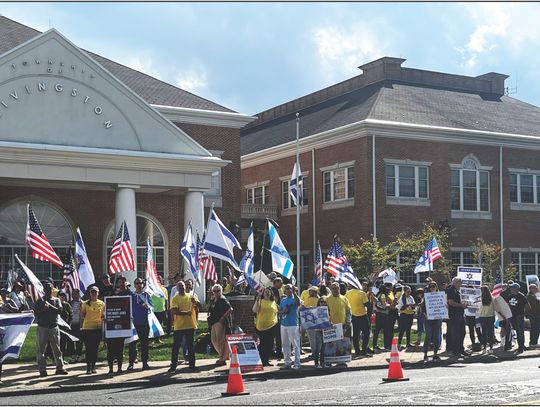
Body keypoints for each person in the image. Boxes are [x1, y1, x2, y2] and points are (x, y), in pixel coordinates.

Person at [33, 282, 68, 377]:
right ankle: (42, 369)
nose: (48, 290)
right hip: (43, 327)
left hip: (53, 327)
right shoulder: (40, 301)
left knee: (57, 349)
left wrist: (49, 306)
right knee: (41, 350)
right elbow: (35, 313)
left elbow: (60, 311)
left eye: (50, 289)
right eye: (46, 289)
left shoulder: (56, 300)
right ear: (44, 290)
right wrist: (43, 308)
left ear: (52, 290)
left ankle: (60, 368)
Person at [168, 281, 199, 372]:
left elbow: (198, 307)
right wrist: (186, 313)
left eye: (182, 286)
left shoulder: (191, 296)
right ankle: (173, 365)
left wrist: (195, 302)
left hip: (190, 325)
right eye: (179, 286)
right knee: (176, 347)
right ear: (177, 288)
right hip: (179, 326)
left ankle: (192, 365)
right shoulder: (174, 299)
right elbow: (174, 311)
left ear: (185, 287)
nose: (181, 288)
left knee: (190, 346)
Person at [128, 278, 153, 370]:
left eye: (140, 283)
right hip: (134, 323)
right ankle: (131, 363)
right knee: (132, 345)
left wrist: (148, 307)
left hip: (144, 323)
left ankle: (145, 363)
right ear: (134, 285)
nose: (139, 285)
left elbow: (152, 307)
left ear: (143, 284)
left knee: (144, 345)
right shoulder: (131, 296)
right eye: (137, 283)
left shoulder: (146, 295)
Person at [326, 282, 352, 366]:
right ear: (330, 289)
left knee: (342, 344)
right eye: (333, 288)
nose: (335, 290)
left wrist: (348, 321)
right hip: (331, 326)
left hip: (342, 325)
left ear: (339, 289)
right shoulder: (327, 299)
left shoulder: (344, 299)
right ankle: (329, 361)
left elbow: (348, 311)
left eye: (337, 288)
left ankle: (342, 361)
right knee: (331, 345)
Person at [207, 283, 233, 366]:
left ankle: (222, 358)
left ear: (221, 291)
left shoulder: (222, 299)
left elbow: (230, 309)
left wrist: (223, 318)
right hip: (213, 321)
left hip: (220, 321)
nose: (216, 292)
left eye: (218, 290)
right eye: (214, 290)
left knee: (220, 340)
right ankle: (224, 355)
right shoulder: (213, 299)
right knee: (214, 340)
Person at [81, 286, 105, 374]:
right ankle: (88, 367)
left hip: (97, 328)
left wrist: (103, 318)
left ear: (98, 293)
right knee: (88, 349)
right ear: (90, 294)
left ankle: (93, 366)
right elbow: (83, 315)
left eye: (95, 292)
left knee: (95, 349)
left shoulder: (102, 303)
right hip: (87, 328)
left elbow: (103, 315)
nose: (94, 294)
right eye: (92, 292)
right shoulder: (85, 304)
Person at [253, 288, 278, 367]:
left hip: (272, 326)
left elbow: (275, 313)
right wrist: (257, 301)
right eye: (265, 292)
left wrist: (276, 321)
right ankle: (261, 360)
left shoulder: (273, 302)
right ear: (263, 294)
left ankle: (266, 361)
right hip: (261, 326)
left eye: (268, 292)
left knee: (270, 344)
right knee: (262, 344)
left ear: (271, 293)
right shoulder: (260, 301)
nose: (267, 293)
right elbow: (254, 310)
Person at [279, 284, 301, 370]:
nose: (289, 290)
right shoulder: (283, 300)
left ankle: (297, 363)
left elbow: (298, 303)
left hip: (293, 324)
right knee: (285, 344)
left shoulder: (295, 298)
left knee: (295, 344)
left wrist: (295, 293)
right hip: (284, 324)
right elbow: (279, 311)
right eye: (287, 288)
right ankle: (287, 362)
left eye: (290, 288)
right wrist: (283, 311)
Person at [447, 277, 469, 358]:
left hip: (460, 314)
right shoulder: (450, 290)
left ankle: (461, 349)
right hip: (454, 315)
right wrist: (461, 305)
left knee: (462, 332)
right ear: (455, 282)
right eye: (460, 282)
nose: (461, 283)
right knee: (456, 334)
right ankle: (455, 350)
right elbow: (450, 302)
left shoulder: (458, 291)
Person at [506, 282, 529, 354]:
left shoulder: (521, 296)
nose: (511, 289)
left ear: (517, 289)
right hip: (511, 317)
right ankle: (507, 345)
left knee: (520, 332)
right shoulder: (509, 296)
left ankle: (521, 347)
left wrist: (523, 314)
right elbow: (506, 305)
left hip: (519, 316)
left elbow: (528, 306)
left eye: (512, 288)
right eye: (511, 288)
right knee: (514, 331)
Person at [422, 281, 442, 361]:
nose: (432, 288)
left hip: (438, 319)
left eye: (434, 286)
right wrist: (427, 316)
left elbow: (443, 306)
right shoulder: (426, 297)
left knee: (436, 337)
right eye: (431, 286)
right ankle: (425, 354)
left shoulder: (440, 296)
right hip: (428, 319)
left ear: (436, 287)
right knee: (428, 336)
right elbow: (423, 310)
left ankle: (435, 354)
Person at [397, 285, 416, 350]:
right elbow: (400, 308)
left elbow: (413, 305)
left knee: (408, 329)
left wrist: (413, 306)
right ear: (404, 291)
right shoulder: (402, 298)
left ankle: (408, 343)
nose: (409, 292)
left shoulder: (411, 297)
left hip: (410, 315)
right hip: (404, 315)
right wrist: (407, 305)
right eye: (408, 291)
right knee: (402, 330)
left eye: (410, 291)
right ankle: (399, 344)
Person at [67, 289, 84, 363]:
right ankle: (73, 355)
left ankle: (79, 355)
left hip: (79, 324)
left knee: (79, 341)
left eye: (75, 294)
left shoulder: (83, 303)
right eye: (73, 294)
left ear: (79, 294)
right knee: (71, 340)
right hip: (71, 324)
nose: (74, 296)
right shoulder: (70, 303)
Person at [372, 284, 389, 351]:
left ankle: (375, 345)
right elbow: (384, 306)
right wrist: (389, 305)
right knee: (385, 330)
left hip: (378, 313)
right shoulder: (383, 295)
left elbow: (376, 302)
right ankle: (386, 346)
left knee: (377, 330)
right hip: (384, 314)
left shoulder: (378, 295)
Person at [152, 277, 168, 344]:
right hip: (154, 310)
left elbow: (166, 299)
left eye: (160, 280)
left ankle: (157, 339)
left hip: (162, 310)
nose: (159, 281)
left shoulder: (164, 289)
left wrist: (167, 309)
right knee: (153, 326)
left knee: (159, 325)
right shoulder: (152, 289)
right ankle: (152, 339)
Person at [57, 291, 73, 358]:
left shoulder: (67, 305)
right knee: (56, 343)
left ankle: (62, 358)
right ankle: (55, 358)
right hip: (57, 327)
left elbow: (71, 315)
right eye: (61, 295)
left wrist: (68, 325)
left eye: (64, 295)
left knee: (63, 343)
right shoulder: (56, 304)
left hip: (65, 327)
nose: (62, 297)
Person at [479, 285, 495, 352]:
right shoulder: (493, 299)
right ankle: (491, 348)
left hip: (482, 317)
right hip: (491, 316)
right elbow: (496, 308)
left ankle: (484, 348)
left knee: (484, 332)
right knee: (491, 333)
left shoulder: (479, 299)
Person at [271, 277, 284, 359]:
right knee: (278, 335)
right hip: (275, 315)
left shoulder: (278, 290)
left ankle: (274, 350)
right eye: (280, 282)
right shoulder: (274, 290)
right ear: (275, 283)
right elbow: (275, 302)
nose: (282, 284)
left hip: (275, 315)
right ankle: (278, 352)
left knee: (275, 335)